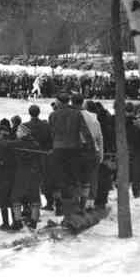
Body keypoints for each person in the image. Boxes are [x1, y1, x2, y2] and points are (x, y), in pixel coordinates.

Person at [48, 93, 94, 222]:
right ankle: (75, 208)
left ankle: (60, 207)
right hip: (74, 149)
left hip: (58, 149)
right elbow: (85, 132)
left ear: (58, 102)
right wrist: (89, 147)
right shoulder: (77, 114)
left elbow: (51, 132)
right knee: (73, 179)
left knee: (59, 179)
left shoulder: (53, 115)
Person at [24, 105, 54, 211]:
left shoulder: (25, 126)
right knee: (45, 180)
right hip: (44, 156)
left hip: (30, 157)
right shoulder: (45, 125)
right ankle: (50, 202)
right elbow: (51, 139)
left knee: (31, 182)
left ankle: (32, 205)